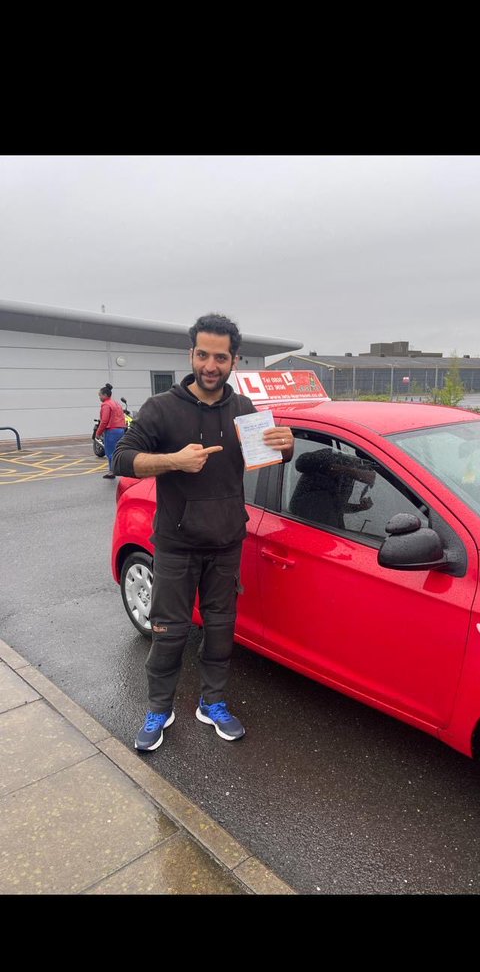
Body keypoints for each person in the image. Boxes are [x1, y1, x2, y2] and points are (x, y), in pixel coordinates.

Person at [111, 312, 294, 752]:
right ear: (191, 354)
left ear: (234, 360)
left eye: (221, 357)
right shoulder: (162, 409)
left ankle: (212, 703)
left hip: (227, 542)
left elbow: (265, 462)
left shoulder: (244, 410)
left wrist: (283, 449)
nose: (211, 365)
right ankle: (159, 708)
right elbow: (121, 459)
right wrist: (173, 460)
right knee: (168, 631)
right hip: (175, 545)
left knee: (219, 628)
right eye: (203, 354)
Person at [290, 447, 376, 530]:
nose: (367, 480)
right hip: (305, 522)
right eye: (366, 474)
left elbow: (338, 506)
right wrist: (343, 469)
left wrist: (360, 507)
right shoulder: (330, 456)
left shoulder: (347, 476)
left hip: (327, 522)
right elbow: (300, 463)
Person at [95, 383, 127, 479]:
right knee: (117, 451)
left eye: (100, 395)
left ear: (105, 395)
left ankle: (113, 471)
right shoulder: (116, 403)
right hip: (120, 430)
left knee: (110, 452)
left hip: (111, 431)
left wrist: (98, 433)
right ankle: (113, 470)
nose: (99, 397)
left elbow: (104, 421)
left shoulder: (106, 405)